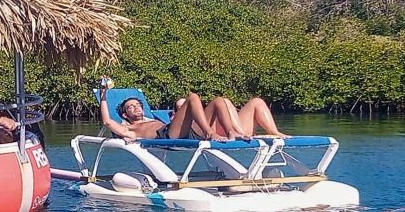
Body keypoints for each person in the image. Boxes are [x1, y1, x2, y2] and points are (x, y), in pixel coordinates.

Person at [99, 79, 244, 141]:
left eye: (138, 105)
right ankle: (210, 133)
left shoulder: (151, 119)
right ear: (125, 114)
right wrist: (103, 95)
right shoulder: (129, 129)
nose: (136, 107)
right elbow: (107, 121)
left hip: (184, 131)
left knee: (218, 101)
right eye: (131, 107)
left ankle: (231, 132)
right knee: (192, 97)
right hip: (168, 136)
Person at [193, 96, 289, 138]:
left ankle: (275, 132)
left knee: (257, 101)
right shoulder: (189, 125)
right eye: (179, 107)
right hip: (222, 132)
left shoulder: (202, 112)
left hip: (235, 128)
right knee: (224, 102)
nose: (181, 107)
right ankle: (240, 133)